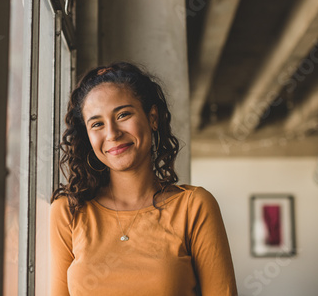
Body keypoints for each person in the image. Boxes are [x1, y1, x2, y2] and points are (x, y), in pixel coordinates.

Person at [50, 62, 237, 295]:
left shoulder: (194, 206)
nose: (112, 134)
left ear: (153, 118)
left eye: (123, 115)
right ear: (87, 136)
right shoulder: (69, 212)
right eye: (97, 124)